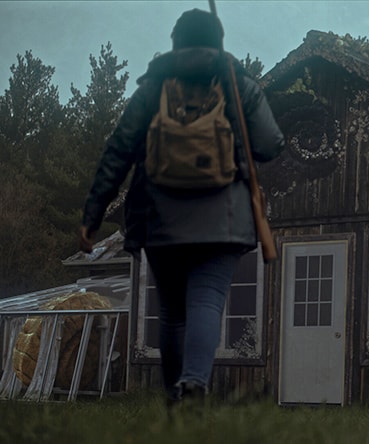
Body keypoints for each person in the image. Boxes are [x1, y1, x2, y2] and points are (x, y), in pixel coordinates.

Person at [79, 9, 284, 405]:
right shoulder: (237, 84)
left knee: (172, 313)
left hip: (161, 221)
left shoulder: (153, 88)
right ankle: (194, 383)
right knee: (207, 299)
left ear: (175, 44)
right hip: (223, 221)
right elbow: (270, 144)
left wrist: (92, 215)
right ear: (217, 42)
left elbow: (118, 151)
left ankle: (175, 396)